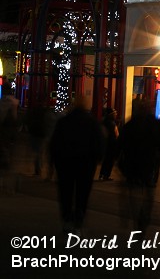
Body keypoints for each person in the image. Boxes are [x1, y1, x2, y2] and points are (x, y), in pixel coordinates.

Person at [48, 97, 103, 235]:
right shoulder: (92, 123)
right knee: (82, 194)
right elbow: (99, 143)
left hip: (65, 163)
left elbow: (55, 144)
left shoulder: (63, 122)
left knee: (66, 192)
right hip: (85, 164)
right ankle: (79, 220)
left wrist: (55, 161)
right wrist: (96, 159)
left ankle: (67, 219)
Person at [117, 102, 160, 232]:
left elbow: (119, 146)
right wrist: (159, 160)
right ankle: (144, 217)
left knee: (134, 193)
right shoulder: (157, 125)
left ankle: (137, 218)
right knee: (149, 193)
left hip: (132, 164)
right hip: (149, 164)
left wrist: (121, 165)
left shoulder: (129, 126)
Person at [0, 84, 19, 192]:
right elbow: (15, 119)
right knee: (9, 157)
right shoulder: (14, 102)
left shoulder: (2, 103)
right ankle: (10, 182)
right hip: (11, 133)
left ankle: (3, 181)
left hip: (3, 133)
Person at [98, 108, 119, 181]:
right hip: (111, 144)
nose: (116, 114)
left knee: (106, 160)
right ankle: (106, 175)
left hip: (106, 144)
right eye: (115, 113)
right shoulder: (112, 123)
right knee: (109, 160)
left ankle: (102, 174)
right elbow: (115, 135)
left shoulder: (105, 122)